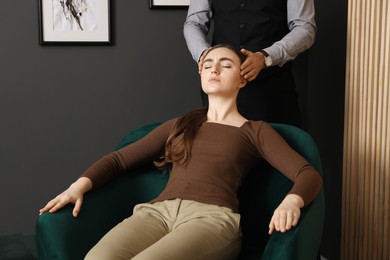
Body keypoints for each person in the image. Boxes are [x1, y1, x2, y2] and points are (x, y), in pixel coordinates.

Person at [39, 45, 322, 260]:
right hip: (156, 213)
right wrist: (77, 187)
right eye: (208, 64)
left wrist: (291, 202)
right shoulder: (180, 125)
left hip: (211, 219)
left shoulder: (255, 130)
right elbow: (119, 159)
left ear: (242, 78)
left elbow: (307, 174)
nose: (214, 70)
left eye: (225, 65)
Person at [183, 0, 317, 127]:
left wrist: (266, 57)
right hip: (220, 94)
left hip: (272, 92)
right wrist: (205, 55)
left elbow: (304, 28)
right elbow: (194, 23)